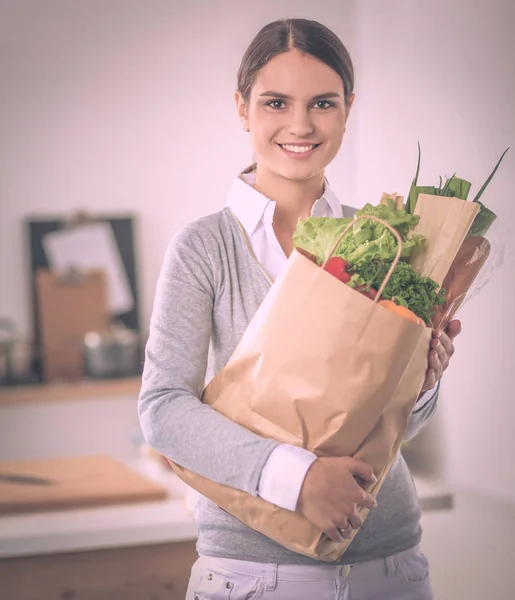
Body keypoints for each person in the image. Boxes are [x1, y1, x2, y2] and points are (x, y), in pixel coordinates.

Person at [138, 17, 461, 600]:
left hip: (390, 566)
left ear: (347, 108)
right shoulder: (204, 248)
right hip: (253, 574)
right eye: (276, 102)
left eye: (322, 103)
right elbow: (163, 409)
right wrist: (296, 477)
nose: (300, 124)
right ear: (242, 108)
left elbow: (394, 428)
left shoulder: (386, 241)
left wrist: (425, 381)